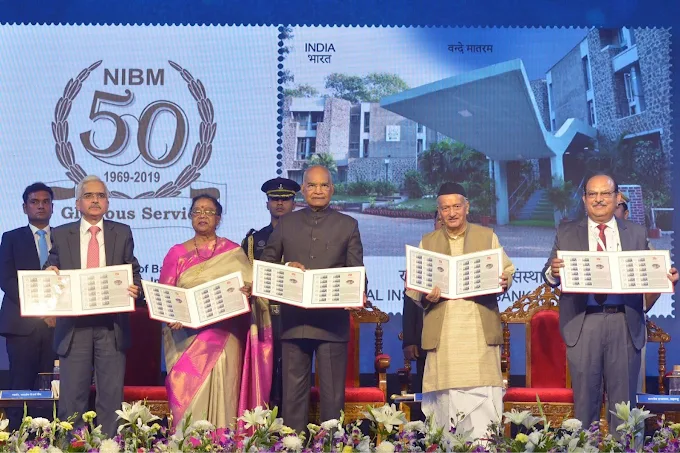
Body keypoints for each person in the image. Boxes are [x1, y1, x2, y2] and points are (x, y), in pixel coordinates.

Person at [543, 173, 678, 430]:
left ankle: (625, 447)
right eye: (592, 194)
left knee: (624, 408)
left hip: (623, 322)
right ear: (584, 199)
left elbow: (653, 272)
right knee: (584, 407)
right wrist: (554, 271)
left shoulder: (636, 233)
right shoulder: (567, 231)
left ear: (617, 198)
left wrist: (666, 276)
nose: (599, 199)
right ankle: (584, 447)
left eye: (605, 193)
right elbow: (549, 275)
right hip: (583, 322)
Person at [405, 182, 515, 439]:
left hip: (478, 335)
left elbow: (507, 270)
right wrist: (426, 295)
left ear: (467, 207)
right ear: (439, 212)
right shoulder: (427, 241)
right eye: (445, 208)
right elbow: (413, 288)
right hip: (443, 337)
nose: (452, 213)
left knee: (481, 406)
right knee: (445, 406)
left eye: (456, 206)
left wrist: (504, 280)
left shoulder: (486, 236)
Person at [259, 165, 365, 432]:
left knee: (332, 397)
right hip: (295, 320)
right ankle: (293, 445)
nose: (318, 191)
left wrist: (359, 291)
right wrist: (287, 268)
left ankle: (332, 444)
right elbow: (266, 263)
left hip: (332, 323)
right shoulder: (287, 223)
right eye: (312, 185)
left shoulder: (348, 225)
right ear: (303, 190)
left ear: (332, 189)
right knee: (293, 396)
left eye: (324, 185)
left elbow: (357, 270)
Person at [162, 194, 272, 429]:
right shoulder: (176, 253)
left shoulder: (233, 252)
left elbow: (252, 292)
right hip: (187, 338)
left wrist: (249, 292)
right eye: (197, 211)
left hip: (225, 336)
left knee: (224, 389)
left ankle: (223, 442)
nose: (202, 215)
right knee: (189, 398)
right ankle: (189, 443)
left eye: (209, 212)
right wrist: (173, 316)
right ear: (190, 216)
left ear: (219, 218)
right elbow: (165, 297)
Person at [45, 175, 142, 437]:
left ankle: (109, 445)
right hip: (74, 327)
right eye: (89, 196)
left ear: (107, 202)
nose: (95, 200)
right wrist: (49, 273)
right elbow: (50, 267)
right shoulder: (61, 233)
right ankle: (72, 445)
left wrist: (136, 288)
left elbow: (133, 271)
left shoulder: (121, 232)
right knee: (72, 397)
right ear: (78, 203)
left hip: (111, 325)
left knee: (110, 396)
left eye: (101, 195)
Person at [0, 182, 57, 429]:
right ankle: (15, 437)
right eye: (34, 202)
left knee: (52, 387)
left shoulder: (65, 238)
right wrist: (39, 308)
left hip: (58, 325)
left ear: (52, 207)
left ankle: (50, 436)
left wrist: (54, 310)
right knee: (20, 385)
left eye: (45, 202)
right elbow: (6, 279)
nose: (40, 206)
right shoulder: (11, 238)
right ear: (25, 207)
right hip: (22, 325)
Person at [242, 177, 300, 412]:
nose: (280, 203)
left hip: (295, 314)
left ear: (294, 203)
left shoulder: (306, 238)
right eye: (275, 199)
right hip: (263, 315)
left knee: (293, 372)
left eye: (285, 199)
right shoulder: (253, 240)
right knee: (264, 371)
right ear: (267, 203)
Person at [402, 211, 442, 393]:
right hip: (425, 337)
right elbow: (410, 300)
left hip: (458, 338)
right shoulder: (422, 255)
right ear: (434, 223)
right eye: (439, 220)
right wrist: (409, 340)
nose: (443, 223)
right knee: (427, 393)